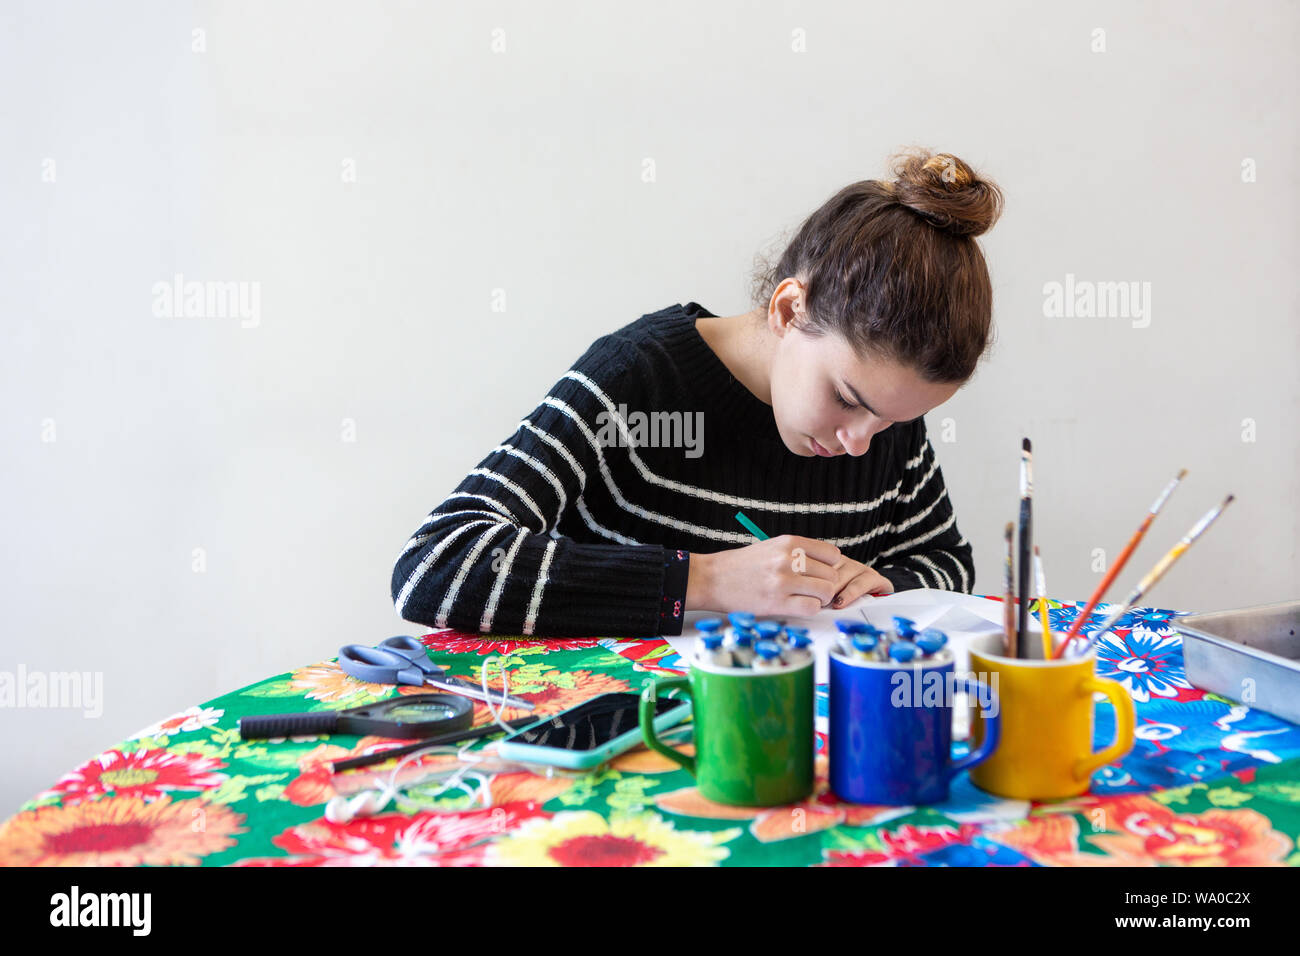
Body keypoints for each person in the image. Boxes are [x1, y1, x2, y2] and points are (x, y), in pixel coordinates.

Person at [392, 148, 1003, 638]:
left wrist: (875, 581)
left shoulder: (884, 415)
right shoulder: (641, 377)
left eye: (895, 420)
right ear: (790, 310)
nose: (859, 442)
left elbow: (945, 564)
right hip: (627, 746)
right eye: (848, 399)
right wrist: (704, 583)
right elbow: (437, 564)